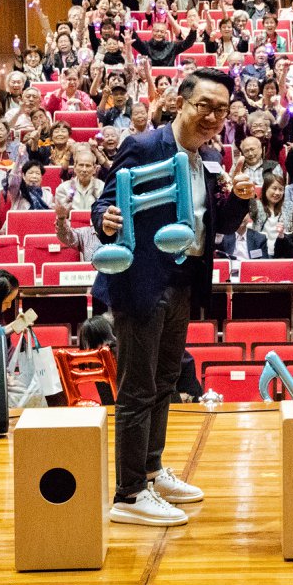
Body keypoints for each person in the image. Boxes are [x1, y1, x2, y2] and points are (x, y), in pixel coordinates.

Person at [92, 67, 253, 527]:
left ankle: (150, 470)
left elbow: (216, 224)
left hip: (183, 281)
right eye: (204, 105)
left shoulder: (210, 158)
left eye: (221, 110)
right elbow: (104, 203)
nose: (212, 117)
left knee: (165, 380)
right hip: (142, 282)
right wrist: (105, 219)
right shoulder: (145, 146)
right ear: (180, 102)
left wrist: (239, 200)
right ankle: (128, 493)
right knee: (138, 388)